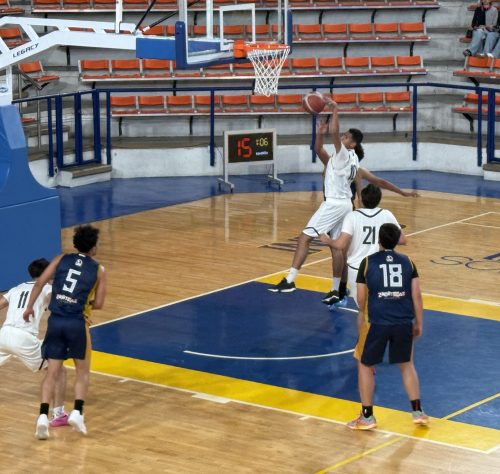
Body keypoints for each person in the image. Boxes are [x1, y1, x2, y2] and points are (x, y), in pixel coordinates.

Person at [268, 99, 363, 295]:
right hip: (346, 204)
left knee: (304, 238)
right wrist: (320, 134)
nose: (342, 137)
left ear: (353, 144)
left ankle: (290, 280)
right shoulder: (349, 159)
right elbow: (319, 150)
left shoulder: (344, 154)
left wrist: (335, 109)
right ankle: (336, 290)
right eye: (343, 136)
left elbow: (334, 133)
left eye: (346, 137)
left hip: (334, 204)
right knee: (336, 248)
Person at [23, 225, 107, 440]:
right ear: (94, 247)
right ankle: (77, 412)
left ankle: (43, 417)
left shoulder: (61, 259)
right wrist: (83, 302)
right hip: (77, 322)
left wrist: (29, 307)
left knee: (52, 372)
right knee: (82, 371)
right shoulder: (99, 270)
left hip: (56, 321)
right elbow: (99, 303)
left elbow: (40, 283)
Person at [347, 223, 428, 430]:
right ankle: (418, 412)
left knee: (365, 365)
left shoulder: (367, 262)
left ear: (379, 240)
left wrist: (362, 315)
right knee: (407, 364)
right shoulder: (408, 262)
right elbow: (417, 295)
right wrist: (419, 322)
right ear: (397, 239)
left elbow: (361, 297)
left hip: (378, 322)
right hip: (403, 321)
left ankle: (367, 417)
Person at [0, 259, 68, 427]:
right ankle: (59, 414)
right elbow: (60, 302)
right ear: (47, 273)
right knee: (58, 370)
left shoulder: (16, 288)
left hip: (4, 334)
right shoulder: (47, 288)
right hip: (24, 338)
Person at [319, 184, 407, 307]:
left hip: (357, 270)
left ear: (361, 199)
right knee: (380, 307)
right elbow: (402, 240)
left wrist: (327, 240)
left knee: (364, 309)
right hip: (379, 268)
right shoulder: (387, 214)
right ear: (379, 199)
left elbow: (340, 245)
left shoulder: (352, 216)